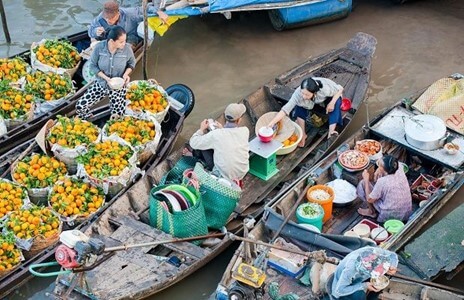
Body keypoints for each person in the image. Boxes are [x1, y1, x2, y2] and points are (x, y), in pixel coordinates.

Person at [76, 26, 135, 120]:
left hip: (118, 86)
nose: (124, 44)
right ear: (112, 41)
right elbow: (92, 65)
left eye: (125, 40)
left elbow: (131, 63)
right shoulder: (99, 48)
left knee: (118, 115)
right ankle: (88, 119)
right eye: (121, 41)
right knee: (80, 106)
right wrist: (106, 78)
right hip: (101, 84)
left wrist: (126, 74)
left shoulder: (127, 49)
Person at [268, 77, 344, 147]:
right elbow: (285, 109)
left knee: (336, 104)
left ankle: (331, 133)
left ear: (314, 93)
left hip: (329, 96)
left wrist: (332, 103)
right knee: (299, 105)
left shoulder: (325, 89)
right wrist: (271, 123)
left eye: (307, 94)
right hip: (311, 102)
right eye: (302, 93)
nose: (304, 96)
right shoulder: (298, 94)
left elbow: (340, 89)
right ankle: (303, 134)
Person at [188, 103, 250, 182]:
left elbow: (193, 143)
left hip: (224, 176)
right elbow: (230, 137)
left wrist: (201, 129)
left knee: (204, 145)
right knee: (216, 144)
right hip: (241, 173)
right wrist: (222, 128)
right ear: (239, 120)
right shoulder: (245, 131)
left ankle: (194, 156)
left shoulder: (217, 134)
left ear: (224, 115)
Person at [357, 155, 412, 222]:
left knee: (363, 183)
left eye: (380, 166)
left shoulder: (383, 182)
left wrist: (366, 179)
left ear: (385, 170)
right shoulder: (400, 167)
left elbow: (370, 199)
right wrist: (378, 170)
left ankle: (371, 211)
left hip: (389, 215)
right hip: (405, 213)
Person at [88, 0, 168, 46]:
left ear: (118, 13)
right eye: (106, 18)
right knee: (93, 39)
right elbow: (91, 31)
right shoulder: (100, 17)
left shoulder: (130, 14)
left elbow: (146, 8)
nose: (108, 21)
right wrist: (95, 31)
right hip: (112, 36)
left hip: (129, 35)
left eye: (111, 18)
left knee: (128, 47)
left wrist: (158, 12)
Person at [331, 246, 398, 299]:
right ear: (363, 272)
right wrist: (364, 285)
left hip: (359, 276)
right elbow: (339, 291)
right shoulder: (350, 271)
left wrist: (393, 265)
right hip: (344, 284)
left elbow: (393, 255)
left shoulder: (373, 251)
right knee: (359, 295)